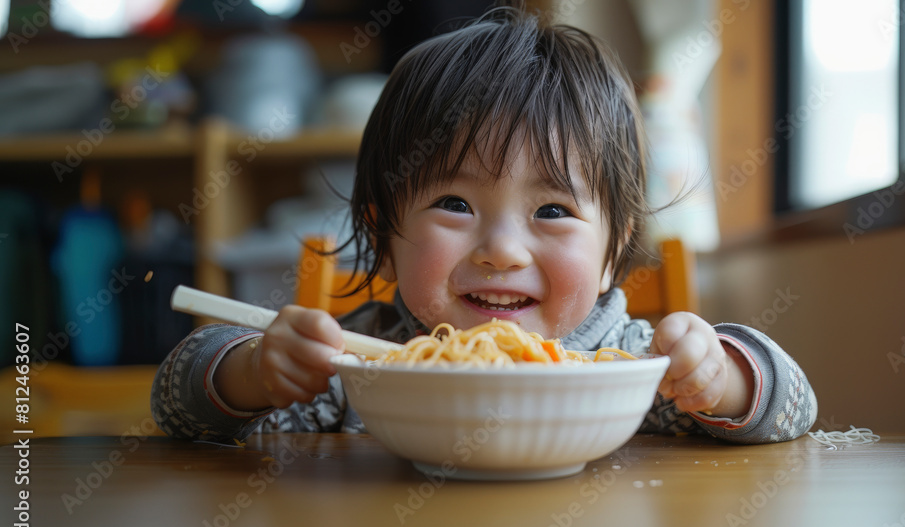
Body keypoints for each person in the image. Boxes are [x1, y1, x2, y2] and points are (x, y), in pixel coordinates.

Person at [152, 6, 816, 444]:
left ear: (614, 250)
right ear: (384, 239)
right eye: (455, 205)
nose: (501, 251)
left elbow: (796, 410)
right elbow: (175, 405)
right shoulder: (359, 364)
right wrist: (254, 373)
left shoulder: (634, 368)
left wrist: (721, 377)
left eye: (552, 211)